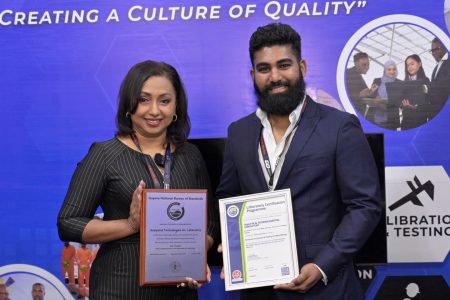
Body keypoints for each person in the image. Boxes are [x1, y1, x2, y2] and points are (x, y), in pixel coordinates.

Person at [216, 23, 381, 299]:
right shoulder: (239, 132)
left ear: (302, 67)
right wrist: (233, 245)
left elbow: (365, 205)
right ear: (253, 74)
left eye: (284, 65)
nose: (275, 76)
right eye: (264, 68)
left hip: (327, 288)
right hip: (259, 291)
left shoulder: (339, 127)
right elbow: (229, 196)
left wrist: (322, 265)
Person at [57, 60, 215, 299]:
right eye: (144, 99)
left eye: (164, 100)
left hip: (180, 290)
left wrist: (193, 255)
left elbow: (210, 223)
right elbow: (68, 223)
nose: (154, 110)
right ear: (129, 106)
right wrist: (130, 225)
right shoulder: (104, 155)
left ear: (176, 108)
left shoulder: (191, 155)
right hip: (120, 288)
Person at [369, 60, 401, 129]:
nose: (392, 72)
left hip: (391, 120)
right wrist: (372, 94)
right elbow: (371, 96)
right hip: (375, 118)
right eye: (389, 69)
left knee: (389, 139)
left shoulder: (399, 83)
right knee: (375, 139)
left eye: (394, 69)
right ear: (385, 70)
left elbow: (398, 100)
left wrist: (383, 102)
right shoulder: (377, 80)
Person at [401, 54, 431, 130]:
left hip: (419, 121)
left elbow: (428, 102)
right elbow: (401, 100)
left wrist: (414, 107)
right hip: (406, 121)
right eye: (407, 65)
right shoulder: (404, 82)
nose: (409, 67)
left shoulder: (426, 81)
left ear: (419, 64)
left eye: (412, 64)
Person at [427, 38, 450, 121]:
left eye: (436, 49)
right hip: (434, 114)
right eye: (432, 51)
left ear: (444, 47)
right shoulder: (436, 67)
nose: (433, 53)